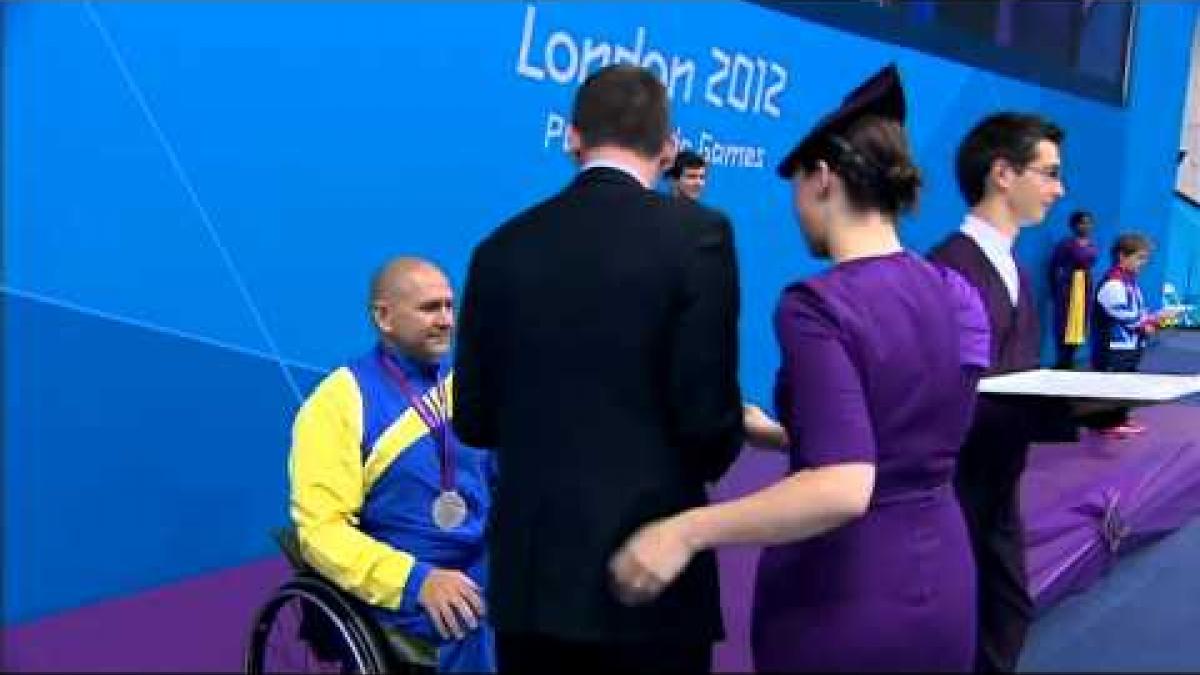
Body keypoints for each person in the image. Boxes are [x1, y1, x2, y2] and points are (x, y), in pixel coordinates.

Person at [609, 64, 990, 671]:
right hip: (944, 582)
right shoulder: (951, 289)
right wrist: (787, 435)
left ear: (823, 178)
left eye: (795, 187)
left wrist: (683, 531)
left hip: (844, 593)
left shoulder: (819, 306)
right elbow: (909, 435)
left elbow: (844, 488)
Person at [451, 64, 744, 674]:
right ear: (667, 151)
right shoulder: (699, 236)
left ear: (572, 137)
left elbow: (474, 420)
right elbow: (707, 424)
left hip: (535, 586)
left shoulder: (499, 250)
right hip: (651, 577)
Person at [289, 257, 496, 673]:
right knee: (475, 616)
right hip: (404, 580)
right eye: (430, 308)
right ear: (383, 316)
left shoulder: (470, 386)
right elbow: (321, 531)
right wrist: (417, 582)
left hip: (482, 559)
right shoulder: (338, 402)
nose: (446, 321)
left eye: (449, 306)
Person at [928, 112, 1074, 673]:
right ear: (1003, 174)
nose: (1059, 190)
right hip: (954, 482)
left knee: (1008, 611)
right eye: (1050, 173)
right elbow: (944, 390)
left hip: (999, 479)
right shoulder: (948, 268)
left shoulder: (1012, 267)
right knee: (961, 622)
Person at [1089, 232, 1174, 436]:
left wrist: (1155, 318)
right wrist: (1153, 321)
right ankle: (1106, 423)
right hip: (1113, 348)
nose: (1143, 263)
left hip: (1129, 346)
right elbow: (1130, 318)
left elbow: (1139, 314)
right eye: (1139, 257)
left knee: (1126, 383)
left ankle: (1119, 418)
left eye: (1145, 258)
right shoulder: (1113, 284)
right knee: (1112, 384)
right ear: (1122, 256)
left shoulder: (1129, 282)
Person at [1049, 209, 1099, 369]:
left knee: (1080, 322)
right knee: (1065, 322)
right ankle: (1062, 361)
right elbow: (1053, 266)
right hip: (1069, 286)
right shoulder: (1066, 245)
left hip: (1084, 286)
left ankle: (1071, 358)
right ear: (1074, 225)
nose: (1086, 226)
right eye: (1082, 222)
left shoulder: (1092, 244)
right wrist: (1056, 287)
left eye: (1089, 223)